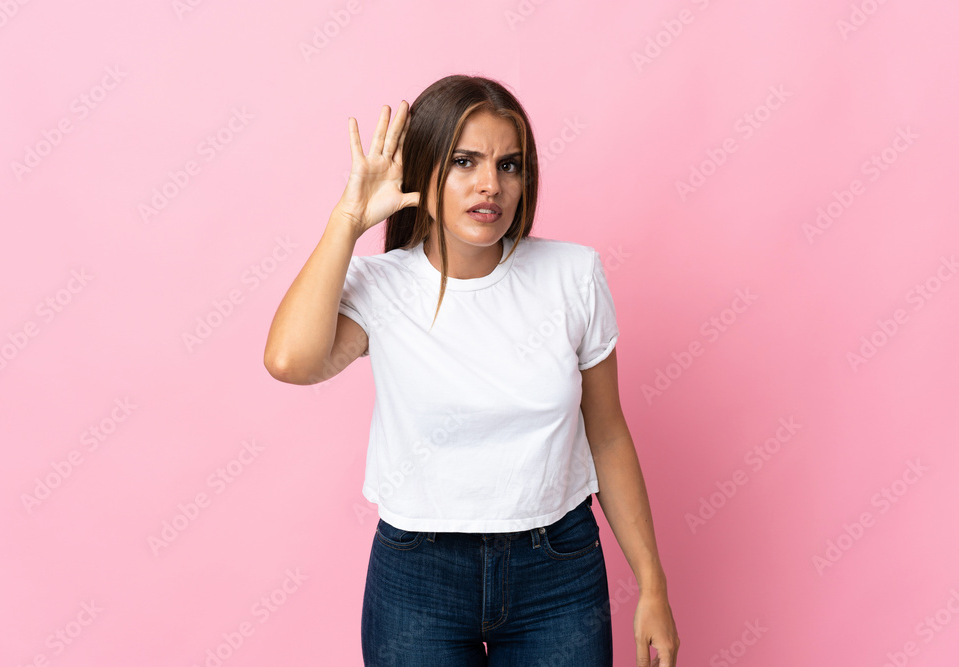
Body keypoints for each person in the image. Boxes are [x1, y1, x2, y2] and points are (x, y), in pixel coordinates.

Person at [264, 74, 679, 666]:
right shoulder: (382, 285)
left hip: (557, 570)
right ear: (424, 170)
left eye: (509, 166)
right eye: (465, 162)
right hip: (418, 576)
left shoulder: (573, 275)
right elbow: (289, 361)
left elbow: (608, 433)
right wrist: (348, 218)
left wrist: (652, 584)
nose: (491, 185)